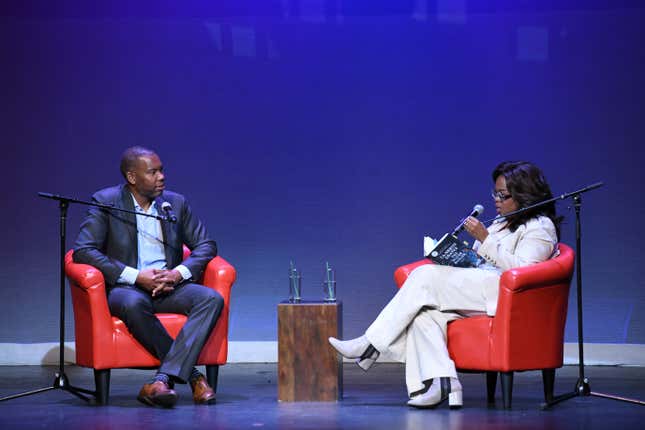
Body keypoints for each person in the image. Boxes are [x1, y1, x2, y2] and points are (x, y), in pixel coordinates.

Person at [329, 161, 562, 409]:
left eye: (503, 195)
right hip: (479, 287)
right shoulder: (501, 222)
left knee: (424, 275)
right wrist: (458, 257)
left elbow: (523, 270)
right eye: (495, 193)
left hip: (505, 297)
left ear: (524, 194)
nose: (496, 200)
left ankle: (370, 343)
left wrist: (485, 238)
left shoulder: (540, 227)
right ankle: (444, 383)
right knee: (423, 313)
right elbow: (482, 259)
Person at [73, 146, 224, 408]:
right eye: (153, 172)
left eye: (161, 170)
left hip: (169, 287)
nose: (162, 177)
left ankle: (161, 380)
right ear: (132, 177)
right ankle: (195, 377)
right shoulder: (106, 201)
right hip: (127, 288)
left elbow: (206, 245)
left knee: (210, 299)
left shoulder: (175, 203)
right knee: (134, 304)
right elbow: (84, 250)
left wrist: (178, 274)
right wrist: (136, 276)